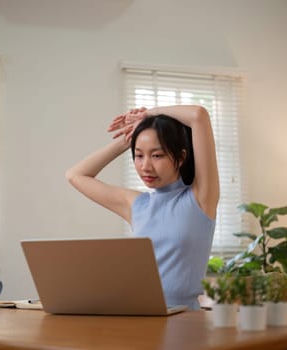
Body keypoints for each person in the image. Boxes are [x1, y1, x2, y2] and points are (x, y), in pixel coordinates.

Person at [65, 105, 220, 310]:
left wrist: (150, 113)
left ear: (181, 157)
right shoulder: (137, 204)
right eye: (139, 156)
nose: (145, 166)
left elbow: (198, 116)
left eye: (157, 155)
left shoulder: (201, 198)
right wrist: (128, 138)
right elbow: (75, 175)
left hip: (185, 323)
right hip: (138, 316)